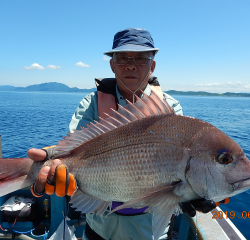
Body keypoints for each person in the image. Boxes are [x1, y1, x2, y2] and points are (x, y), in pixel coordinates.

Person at [28, 28, 219, 240]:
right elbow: (74, 150)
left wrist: (191, 191)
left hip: (150, 230)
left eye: (140, 58)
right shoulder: (91, 104)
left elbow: (179, 164)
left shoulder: (170, 108)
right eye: (122, 58)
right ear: (112, 64)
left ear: (152, 65)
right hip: (100, 226)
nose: (130, 64)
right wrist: (51, 158)